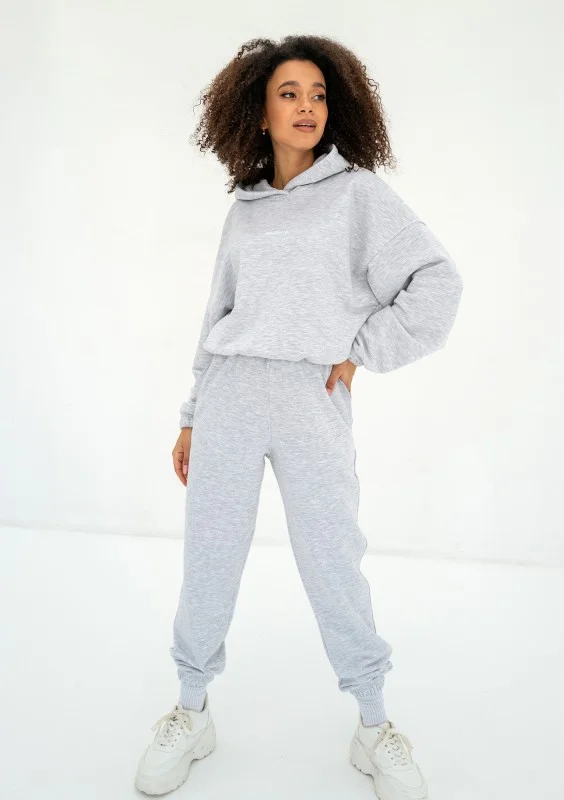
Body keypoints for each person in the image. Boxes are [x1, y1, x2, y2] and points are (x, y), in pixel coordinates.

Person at [135, 34, 463, 798]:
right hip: (230, 398)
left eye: (317, 94)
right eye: (289, 93)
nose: (306, 106)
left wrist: (359, 351)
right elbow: (218, 315)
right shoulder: (244, 209)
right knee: (210, 556)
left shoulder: (359, 197)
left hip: (311, 400)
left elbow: (438, 282)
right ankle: (191, 709)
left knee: (332, 558)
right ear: (258, 111)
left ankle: (374, 724)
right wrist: (193, 414)